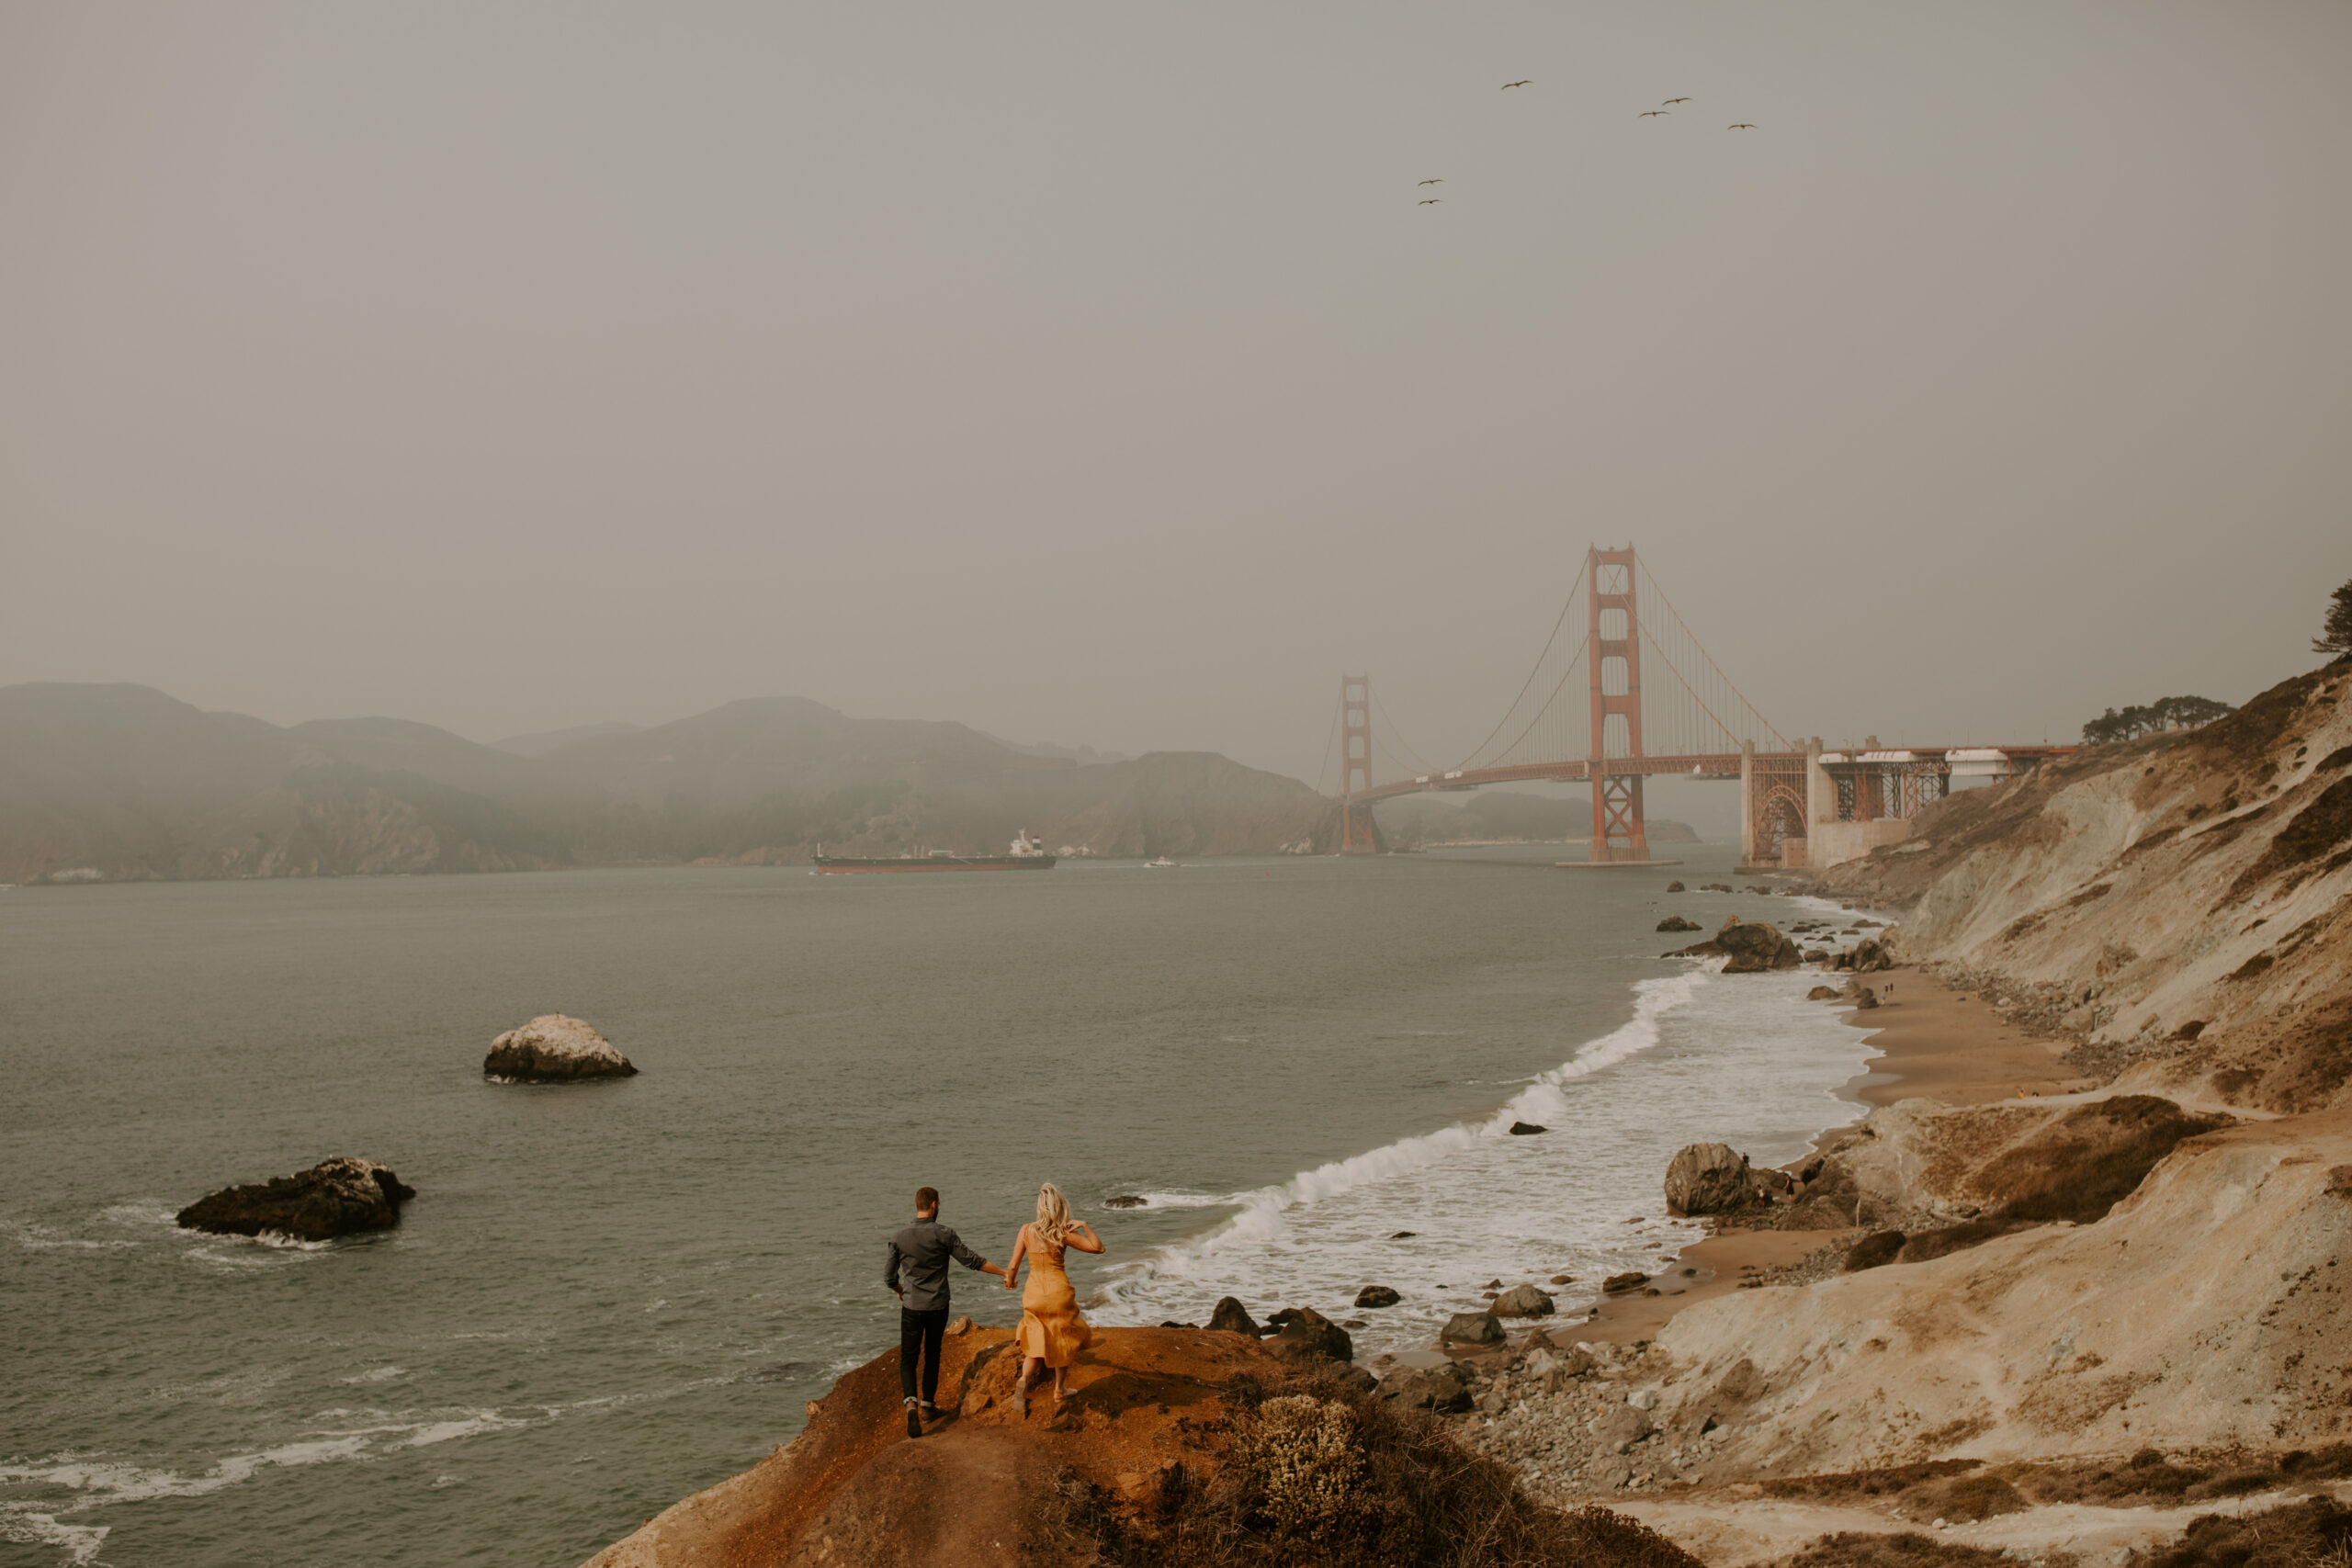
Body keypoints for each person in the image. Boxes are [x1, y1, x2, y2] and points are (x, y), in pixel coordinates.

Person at [884, 1186, 1006, 1438]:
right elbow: (972, 1261)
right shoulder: (944, 1234)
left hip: (911, 1307)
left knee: (908, 1357)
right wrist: (1006, 1273)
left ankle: (910, 1403)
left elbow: (888, 1277)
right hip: (938, 1306)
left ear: (917, 1205)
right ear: (934, 1205)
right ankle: (928, 1406)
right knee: (932, 1354)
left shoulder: (899, 1237)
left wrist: (900, 1290)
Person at [1001, 1182, 1104, 1415]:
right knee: (1062, 1339)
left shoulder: (1026, 1230)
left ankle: (1024, 1379)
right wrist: (1085, 1226)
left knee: (1036, 1342)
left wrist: (1010, 1281)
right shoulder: (1063, 1232)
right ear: (1059, 1207)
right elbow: (1098, 1249)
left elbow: (1014, 1264)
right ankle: (1059, 1389)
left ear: (1039, 1207)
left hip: (1034, 1292)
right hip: (1058, 1292)